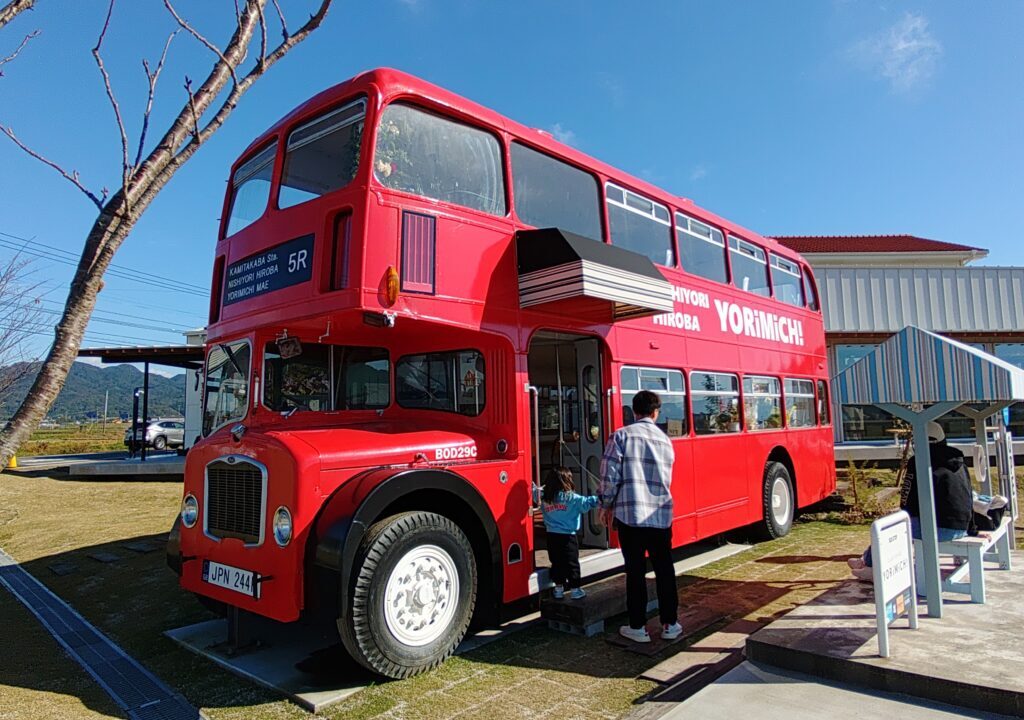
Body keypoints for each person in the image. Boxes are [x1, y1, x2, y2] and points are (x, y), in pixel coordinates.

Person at [599, 389, 682, 644]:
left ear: (633, 411)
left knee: (635, 572)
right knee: (664, 569)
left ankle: (638, 627)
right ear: (656, 412)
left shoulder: (621, 436)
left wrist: (605, 504)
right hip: (660, 516)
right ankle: (670, 624)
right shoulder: (664, 440)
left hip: (630, 515)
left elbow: (609, 475)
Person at [849, 421, 977, 580]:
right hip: (962, 525)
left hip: (938, 528)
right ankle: (866, 560)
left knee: (891, 528)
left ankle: (871, 567)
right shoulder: (958, 461)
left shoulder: (919, 461)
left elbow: (908, 499)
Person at [534, 466, 599, 600]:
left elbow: (535, 493)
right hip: (568, 537)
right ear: (567, 481)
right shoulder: (572, 498)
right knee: (572, 563)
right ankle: (575, 589)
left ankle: (558, 588)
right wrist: (601, 497)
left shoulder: (545, 498)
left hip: (551, 536)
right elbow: (587, 503)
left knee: (557, 562)